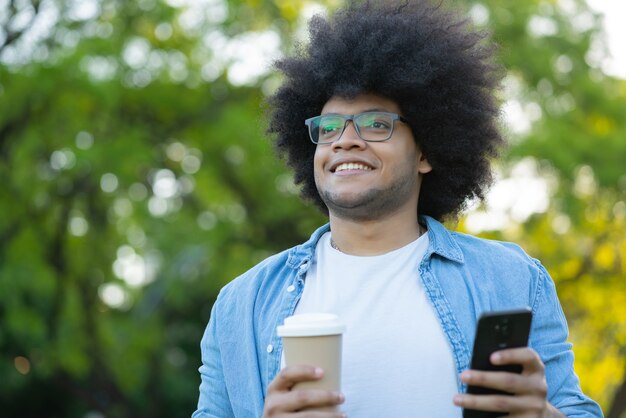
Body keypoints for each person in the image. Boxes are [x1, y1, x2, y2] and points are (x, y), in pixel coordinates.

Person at [192, 1, 603, 417]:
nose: (344, 140)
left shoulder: (512, 279)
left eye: (375, 124)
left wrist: (543, 415)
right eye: (329, 127)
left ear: (426, 151)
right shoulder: (241, 304)